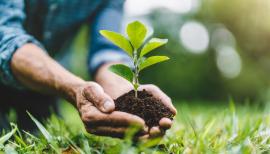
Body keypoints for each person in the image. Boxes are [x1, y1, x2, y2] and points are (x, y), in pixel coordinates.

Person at [0, 0, 177, 138]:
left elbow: (106, 52)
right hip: (44, 75)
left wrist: (123, 92)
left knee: (42, 135)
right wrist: (73, 87)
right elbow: (6, 38)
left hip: (43, 84)